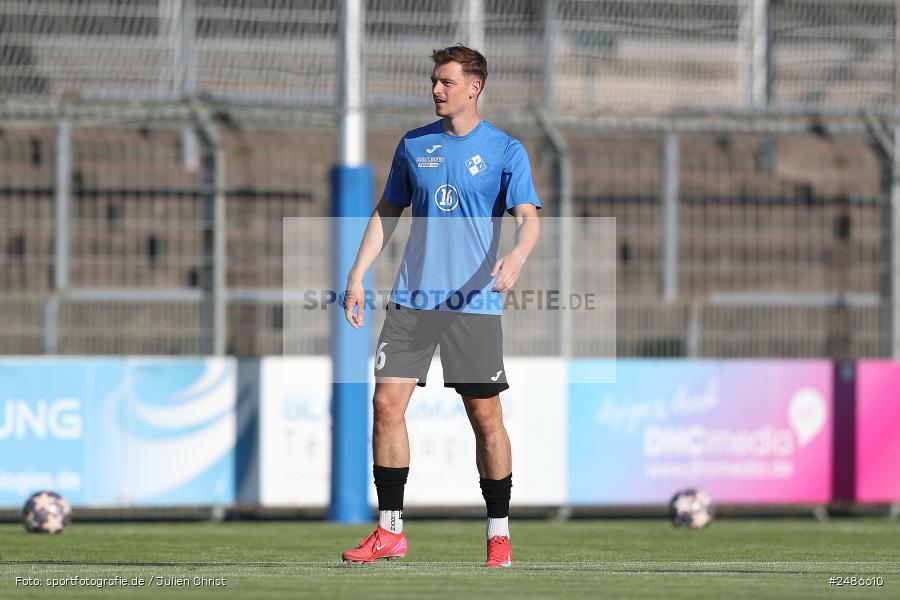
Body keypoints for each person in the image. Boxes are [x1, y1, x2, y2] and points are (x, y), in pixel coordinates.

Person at [340, 44, 541, 568]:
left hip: (472, 307)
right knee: (386, 407)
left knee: (484, 416)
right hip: (411, 302)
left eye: (447, 82)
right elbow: (388, 209)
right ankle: (389, 531)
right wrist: (357, 274)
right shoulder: (414, 145)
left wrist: (518, 254)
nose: (436, 90)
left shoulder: (504, 150)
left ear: (474, 88)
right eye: (434, 80)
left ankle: (498, 534)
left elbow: (529, 217)